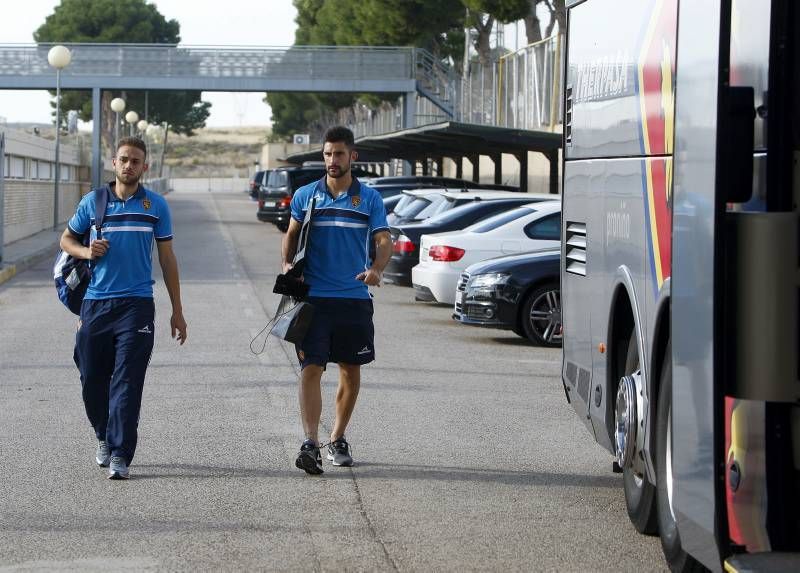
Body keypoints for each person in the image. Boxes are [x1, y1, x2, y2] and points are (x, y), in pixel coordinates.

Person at [60, 136, 187, 480]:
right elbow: (66, 240)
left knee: (128, 382)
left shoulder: (155, 207)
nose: (129, 165)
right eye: (123, 159)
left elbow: (167, 259)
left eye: (135, 161)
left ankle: (120, 453)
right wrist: (87, 252)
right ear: (114, 164)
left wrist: (177, 310)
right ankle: (103, 435)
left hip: (137, 305)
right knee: (91, 378)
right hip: (96, 304)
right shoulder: (93, 202)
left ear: (145, 167)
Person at [281, 126, 391, 475]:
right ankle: (310, 442)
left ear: (352, 156)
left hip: (353, 298)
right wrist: (288, 268)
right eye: (327, 154)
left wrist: (376, 267)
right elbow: (291, 235)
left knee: (350, 370)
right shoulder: (306, 195)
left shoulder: (369, 199)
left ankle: (337, 437)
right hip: (312, 299)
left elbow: (384, 239)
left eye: (338, 154)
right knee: (310, 367)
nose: (332, 160)